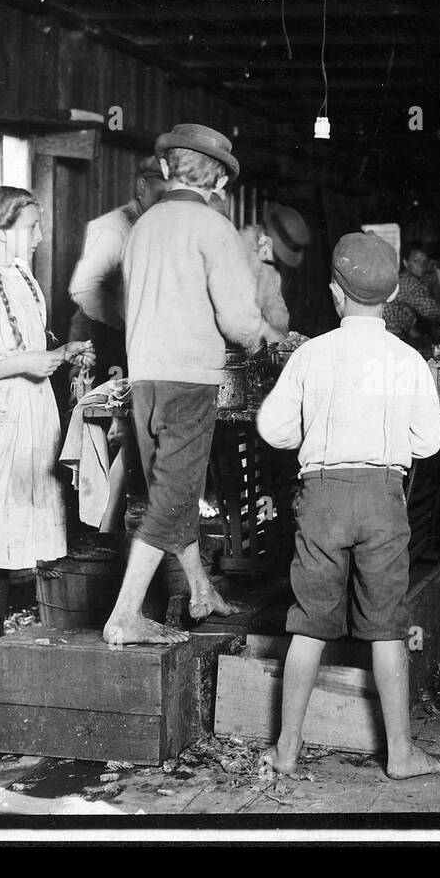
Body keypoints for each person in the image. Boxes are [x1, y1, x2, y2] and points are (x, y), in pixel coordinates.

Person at [255, 232, 440, 780]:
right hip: (385, 496)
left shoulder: (313, 354)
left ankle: (286, 752)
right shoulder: (407, 359)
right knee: (387, 626)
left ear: (336, 293)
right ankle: (403, 755)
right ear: (390, 298)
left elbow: (272, 429)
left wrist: (313, 432)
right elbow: (430, 441)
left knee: (309, 625)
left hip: (322, 496)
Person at [103, 124, 283, 646]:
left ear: (164, 169)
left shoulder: (145, 224)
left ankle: (201, 590)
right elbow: (239, 321)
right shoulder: (213, 228)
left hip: (145, 375)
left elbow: (122, 305)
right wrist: (270, 341)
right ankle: (124, 615)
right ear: (221, 182)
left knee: (169, 488)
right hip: (190, 380)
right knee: (174, 494)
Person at [0, 186, 93, 701]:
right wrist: (23, 364)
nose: (40, 236)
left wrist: (60, 352)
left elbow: (26, 345)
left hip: (30, 417)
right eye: (30, 227)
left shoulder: (25, 280)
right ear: (0, 230)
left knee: (13, 540)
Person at [68, 156, 169, 385]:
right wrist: (127, 323)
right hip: (102, 336)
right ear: (142, 186)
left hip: (134, 338)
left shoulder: (156, 226)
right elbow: (83, 288)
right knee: (102, 412)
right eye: (163, 193)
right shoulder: (115, 227)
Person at [236, 202, 310, 335]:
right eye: (278, 251)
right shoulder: (238, 247)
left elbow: (273, 300)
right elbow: (235, 307)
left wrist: (282, 333)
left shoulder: (266, 254)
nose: (277, 259)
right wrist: (265, 331)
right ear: (265, 233)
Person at [382, 243, 440, 336]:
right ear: (405, 263)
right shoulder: (409, 283)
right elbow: (435, 312)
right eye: (416, 261)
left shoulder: (402, 279)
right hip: (391, 334)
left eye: (424, 262)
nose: (421, 265)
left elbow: (405, 320)